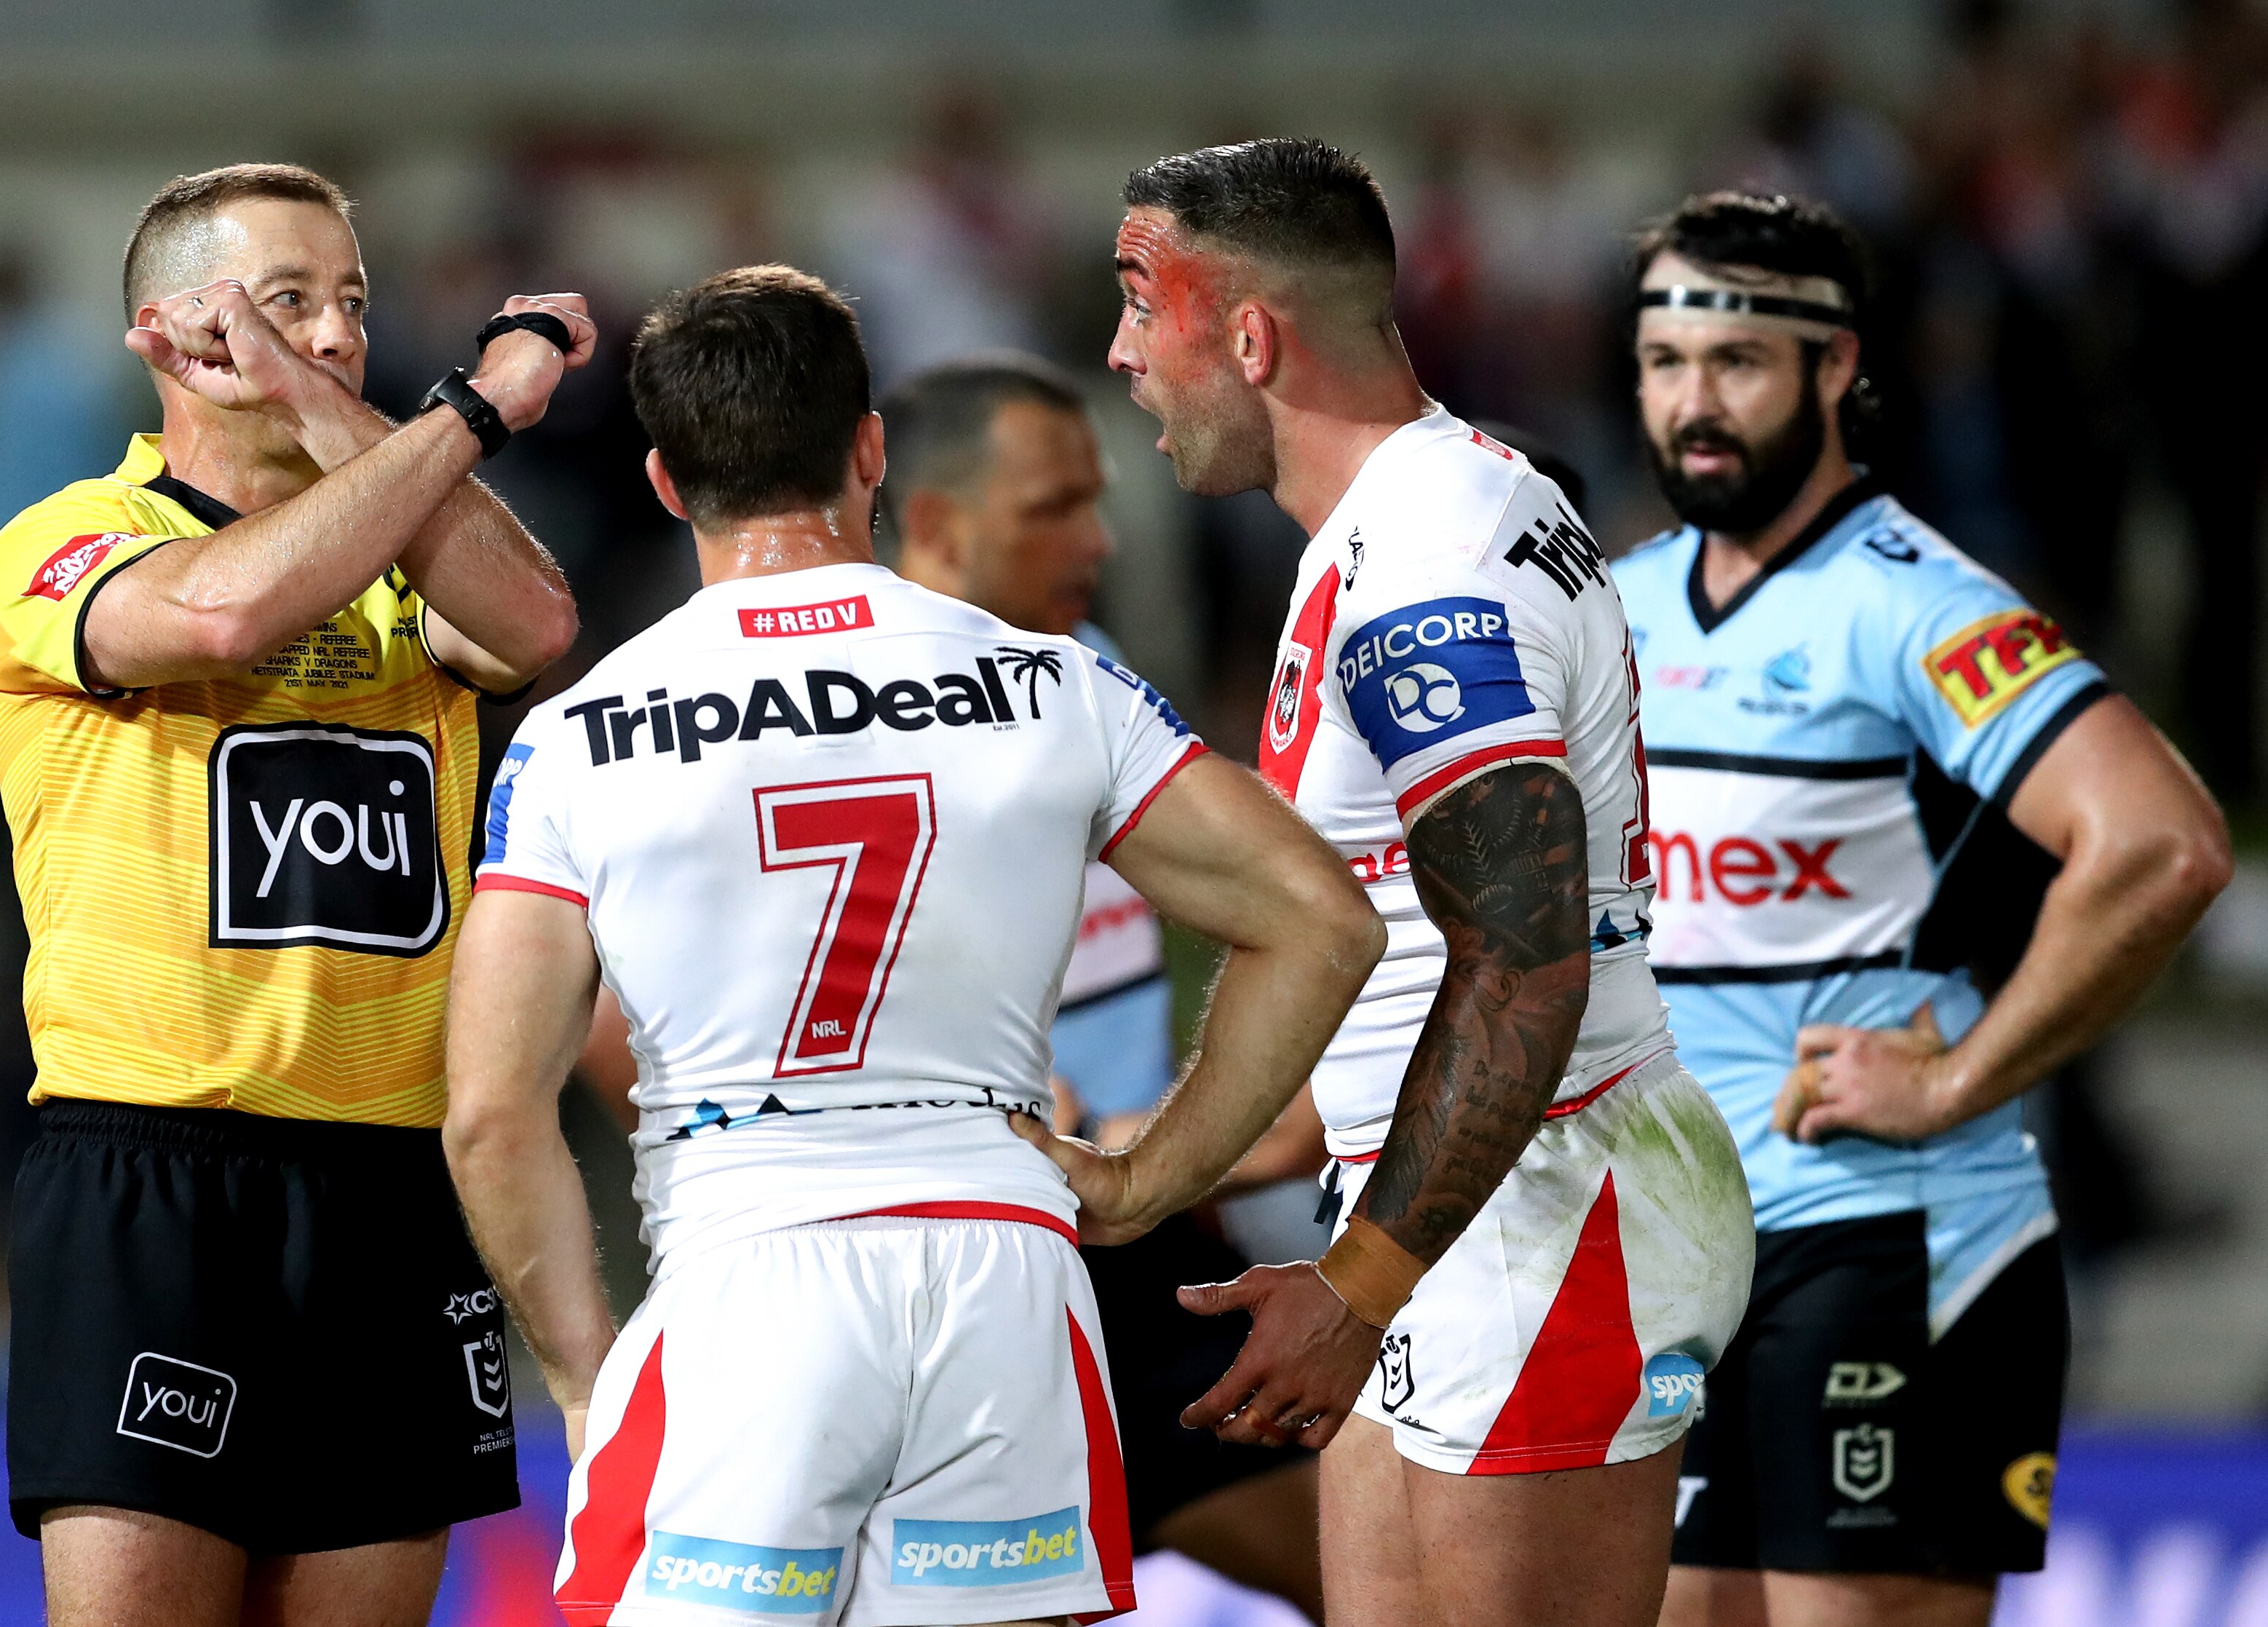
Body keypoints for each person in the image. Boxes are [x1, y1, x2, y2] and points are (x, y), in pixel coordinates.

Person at [442, 265, 1385, 1627]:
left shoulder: (582, 733)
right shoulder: (1052, 677)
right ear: (870, 449)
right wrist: (1140, 1175)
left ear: (662, 479)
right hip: (1003, 1272)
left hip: (746, 1273)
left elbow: (489, 1109)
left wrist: (589, 1377)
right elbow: (1319, 917)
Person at [1046, 137, 1756, 1627]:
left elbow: (1524, 958)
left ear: (1249, 335)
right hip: (1484, 1221)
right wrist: (1136, 1177)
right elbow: (1404, 976)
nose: (1116, 352)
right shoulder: (1408, 520)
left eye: (1135, 302)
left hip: (1541, 1225)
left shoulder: (1425, 562)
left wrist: (1354, 1283)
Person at [0, 162, 587, 1626]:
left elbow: (540, 625)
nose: (334, 333)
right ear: (167, 334)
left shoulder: (409, 555)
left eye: (355, 305)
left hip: (390, 1190)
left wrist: (349, 424)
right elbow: (221, 608)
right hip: (157, 1170)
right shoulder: (68, 539)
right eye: (289, 300)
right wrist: (472, 416)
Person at [1614, 192, 2232, 1627]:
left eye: (1741, 363)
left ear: (1838, 371)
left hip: (1886, 1245)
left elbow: (2163, 844)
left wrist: (1957, 1074)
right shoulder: (1624, 603)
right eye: (1664, 363)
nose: (1694, 404)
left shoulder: (1921, 607)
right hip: (1671, 1254)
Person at [878, 352, 1327, 1621]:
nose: (1099, 536)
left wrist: (1186, 1140)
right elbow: (600, 1024)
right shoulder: (842, 711)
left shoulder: (1088, 664)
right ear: (933, 524)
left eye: (1094, 497)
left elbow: (1277, 912)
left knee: (1398, 1576)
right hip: (957, 1270)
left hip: (1139, 1241)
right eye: (1053, 508)